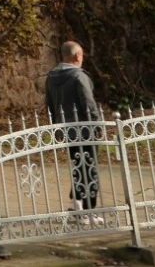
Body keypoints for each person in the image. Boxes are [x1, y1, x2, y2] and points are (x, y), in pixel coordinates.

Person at [45, 40, 101, 218]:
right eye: (82, 55)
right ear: (77, 56)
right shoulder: (79, 76)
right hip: (84, 128)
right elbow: (88, 103)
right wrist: (97, 124)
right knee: (89, 167)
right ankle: (89, 209)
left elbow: (50, 105)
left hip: (66, 128)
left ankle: (76, 201)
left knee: (78, 165)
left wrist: (56, 126)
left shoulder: (51, 77)